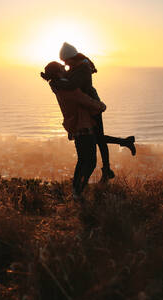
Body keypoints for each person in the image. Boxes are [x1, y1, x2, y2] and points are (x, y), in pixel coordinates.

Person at [55, 42, 136, 183]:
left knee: (98, 138)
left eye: (66, 61)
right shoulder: (78, 66)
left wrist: (54, 82)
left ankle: (107, 169)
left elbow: (71, 84)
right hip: (88, 105)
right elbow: (69, 80)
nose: (65, 64)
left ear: (72, 57)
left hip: (93, 105)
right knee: (98, 138)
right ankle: (118, 151)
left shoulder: (82, 68)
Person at [41, 61, 106, 199]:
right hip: (83, 126)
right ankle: (78, 191)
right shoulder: (68, 89)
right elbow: (86, 101)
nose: (66, 69)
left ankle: (76, 191)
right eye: (62, 68)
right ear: (58, 72)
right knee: (90, 162)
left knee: (82, 160)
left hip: (77, 126)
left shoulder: (59, 86)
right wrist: (101, 105)